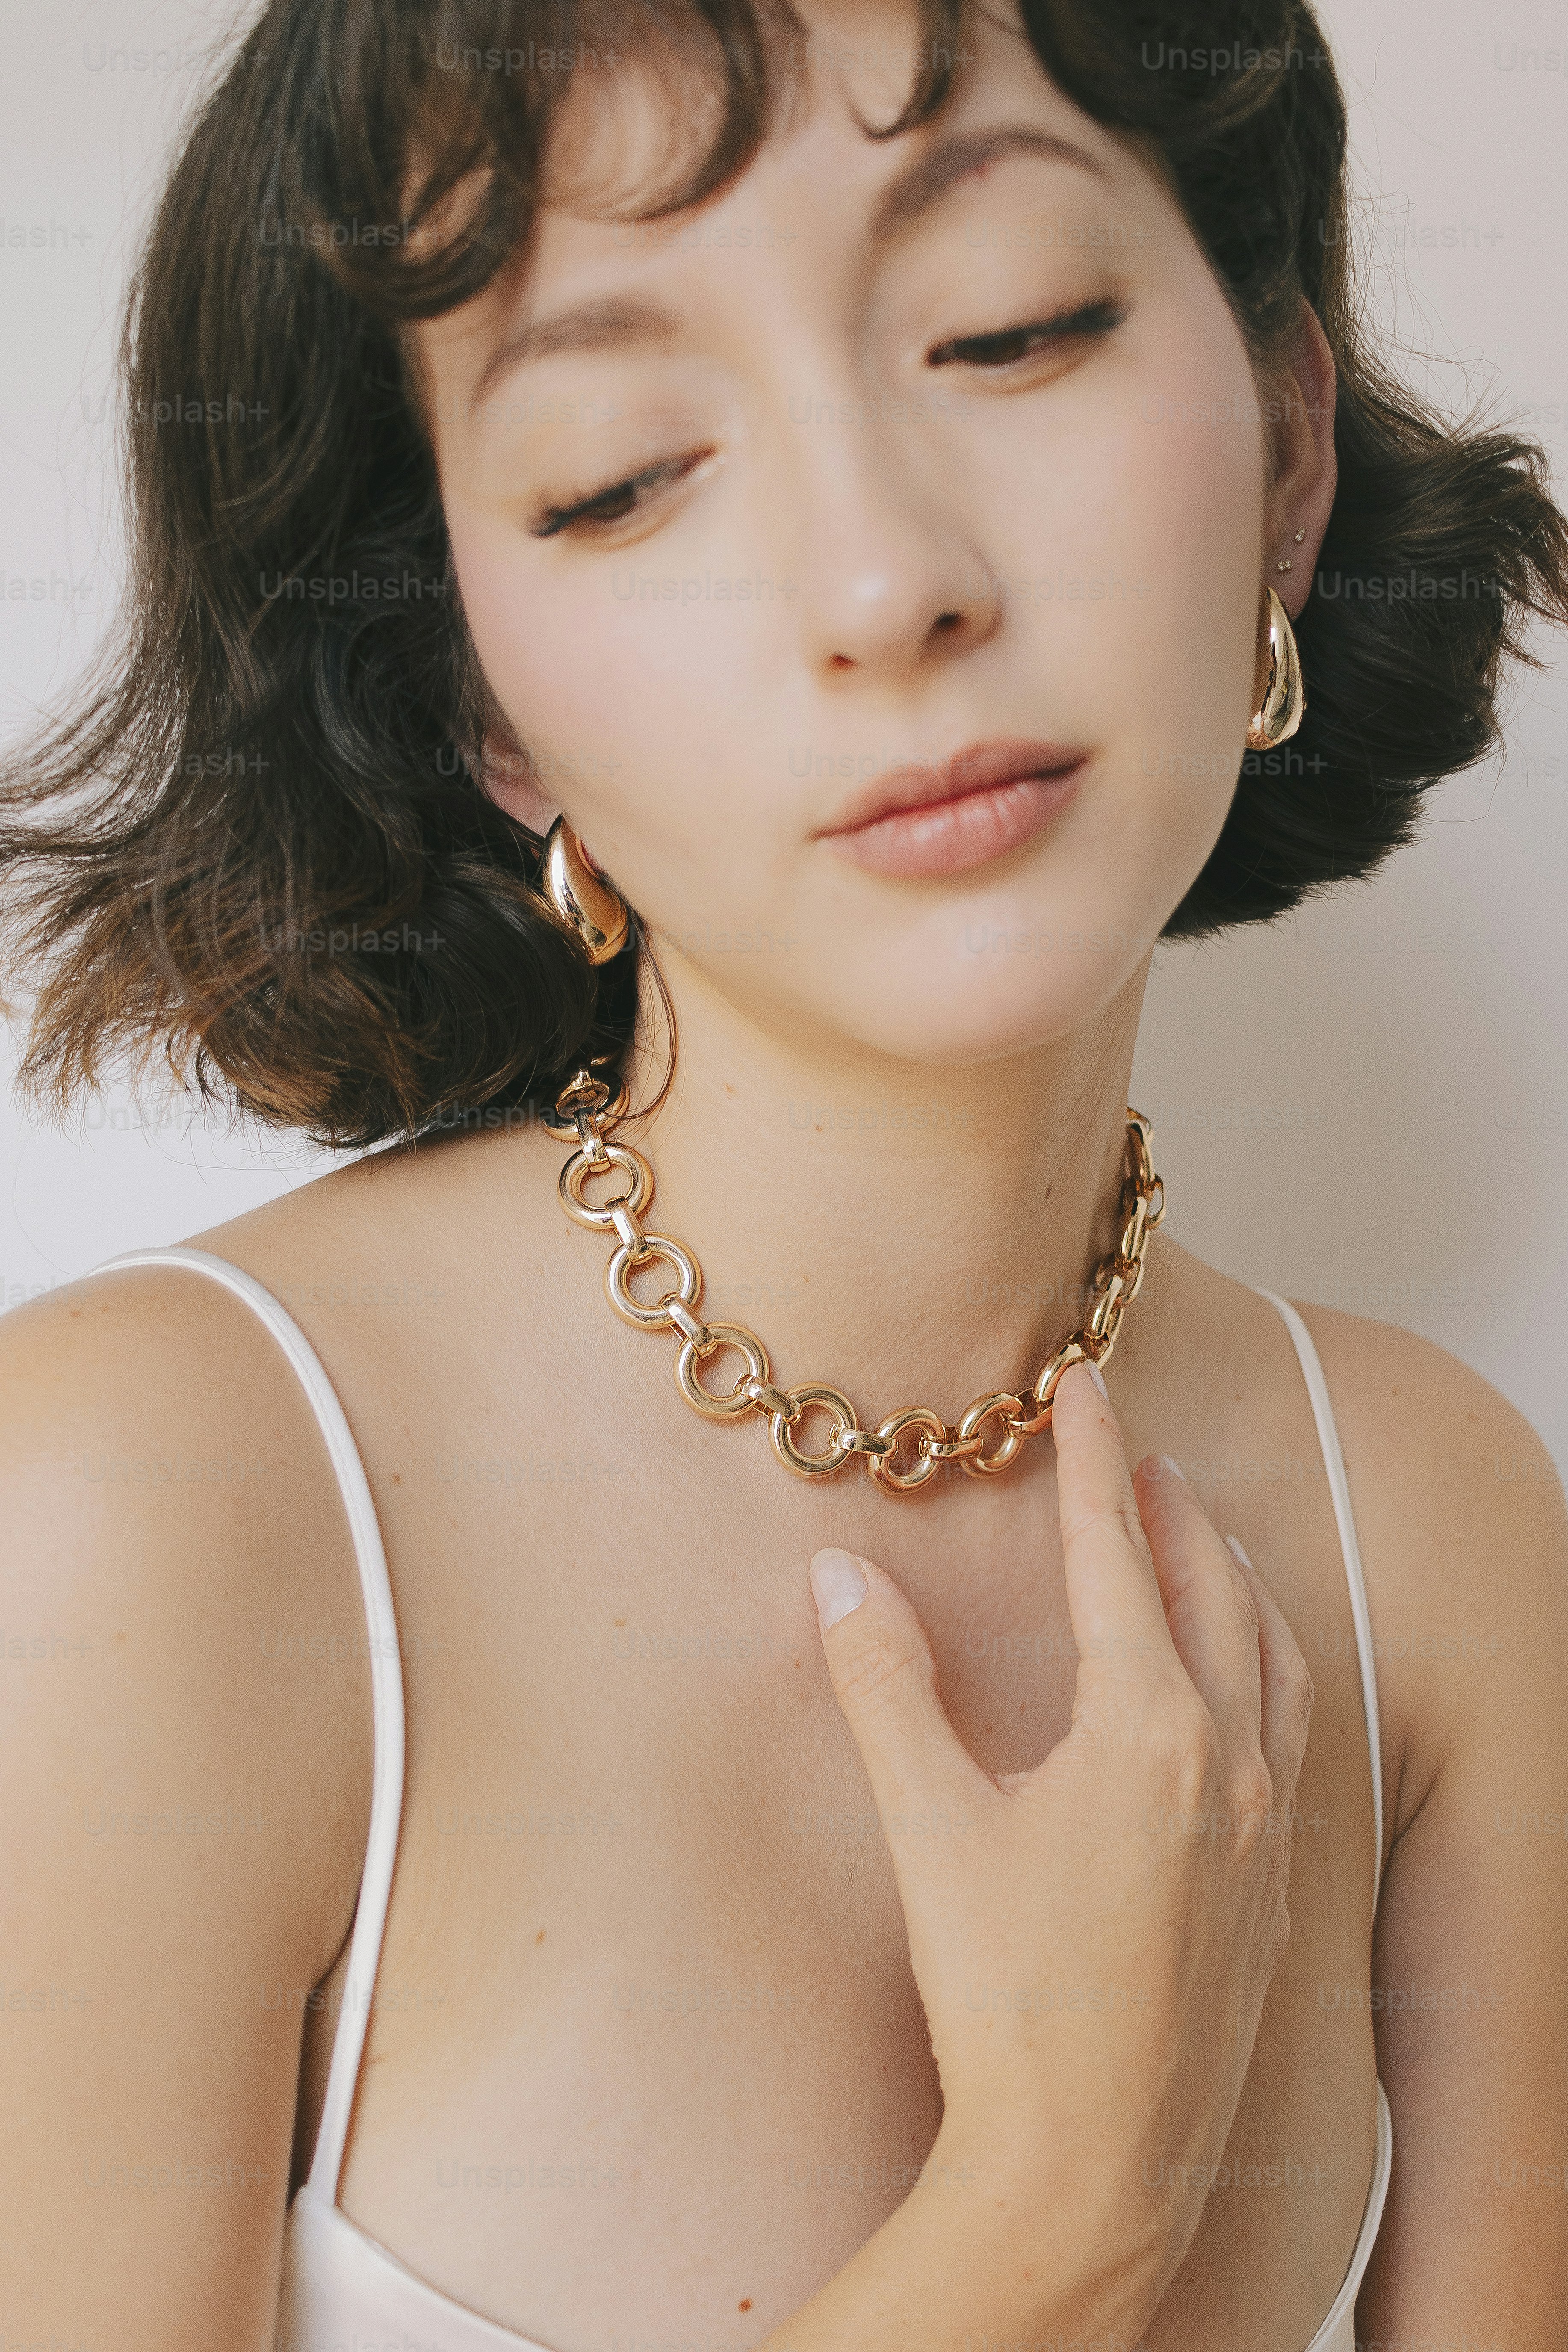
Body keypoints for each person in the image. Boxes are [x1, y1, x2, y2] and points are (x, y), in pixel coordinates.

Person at [2, 4, 1565, 2348]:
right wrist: (1058, 2203)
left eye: (1008, 331)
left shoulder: (1427, 1531)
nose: (881, 583)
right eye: (625, 474)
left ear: (1284, 442)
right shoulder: (148, 1512)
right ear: (478, 701)